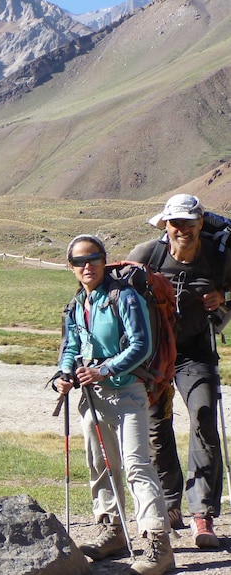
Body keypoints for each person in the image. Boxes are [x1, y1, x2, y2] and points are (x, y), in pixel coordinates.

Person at [56, 235, 174, 574]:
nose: (87, 265)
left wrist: (104, 369)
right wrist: (64, 374)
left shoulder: (125, 297)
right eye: (79, 261)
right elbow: (71, 347)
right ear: (72, 268)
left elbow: (141, 345)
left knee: (137, 464)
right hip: (93, 397)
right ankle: (113, 530)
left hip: (128, 393)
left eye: (93, 258)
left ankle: (158, 545)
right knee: (100, 463)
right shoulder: (78, 303)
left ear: (105, 261)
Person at [128, 193, 231, 548]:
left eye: (190, 222)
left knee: (203, 418)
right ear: (165, 225)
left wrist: (223, 300)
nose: (183, 229)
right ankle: (170, 505)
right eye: (176, 223)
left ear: (201, 222)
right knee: (156, 426)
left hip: (196, 352)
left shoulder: (219, 257)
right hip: (154, 355)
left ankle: (202, 514)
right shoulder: (147, 255)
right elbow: (117, 296)